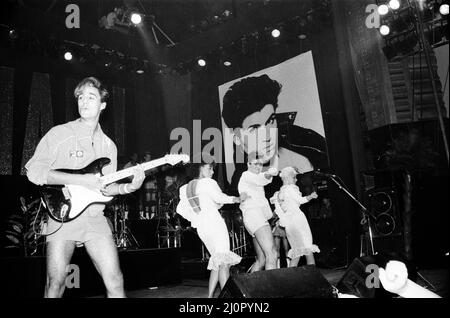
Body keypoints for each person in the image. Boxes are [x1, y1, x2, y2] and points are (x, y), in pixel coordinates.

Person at [25, 77, 145, 298]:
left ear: (103, 105)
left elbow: (106, 188)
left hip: (94, 219)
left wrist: (130, 187)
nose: (84, 102)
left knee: (116, 280)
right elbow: (34, 172)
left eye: (91, 97)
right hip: (63, 215)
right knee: (56, 283)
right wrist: (82, 181)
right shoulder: (59, 134)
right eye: (81, 97)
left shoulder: (108, 145)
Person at [221, 74, 328, 195]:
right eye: (254, 128)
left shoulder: (305, 143)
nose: (267, 136)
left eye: (270, 121)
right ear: (237, 139)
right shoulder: (241, 182)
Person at [176, 157, 247, 298]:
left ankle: (210, 298)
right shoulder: (208, 182)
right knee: (224, 263)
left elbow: (180, 210)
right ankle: (228, 299)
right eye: (210, 168)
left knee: (217, 262)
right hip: (215, 224)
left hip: (202, 227)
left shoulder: (185, 188)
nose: (213, 171)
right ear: (200, 168)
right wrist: (237, 199)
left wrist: (197, 217)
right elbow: (220, 198)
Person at [271, 166, 320, 267]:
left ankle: (290, 280)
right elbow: (300, 200)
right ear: (288, 178)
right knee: (308, 249)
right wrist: (311, 196)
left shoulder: (278, 194)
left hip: (289, 224)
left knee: (296, 253)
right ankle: (314, 278)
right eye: (294, 177)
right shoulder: (290, 189)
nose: (296, 179)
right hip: (298, 221)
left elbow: (279, 211)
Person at [238, 153, 279, 272]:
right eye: (256, 164)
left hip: (254, 218)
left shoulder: (255, 180)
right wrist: (269, 173)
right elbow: (262, 178)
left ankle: (247, 287)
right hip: (254, 216)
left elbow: (263, 178)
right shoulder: (246, 175)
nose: (258, 167)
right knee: (272, 254)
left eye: (261, 164)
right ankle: (273, 289)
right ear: (248, 164)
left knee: (262, 259)